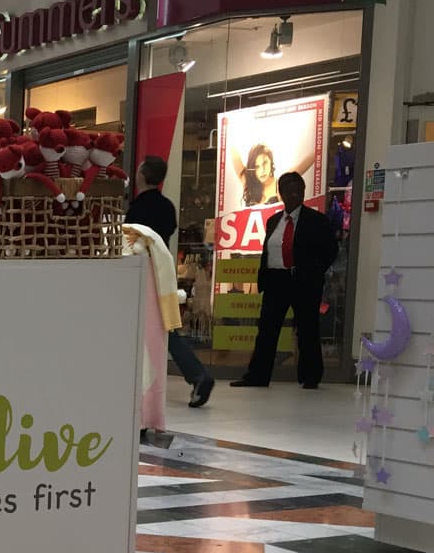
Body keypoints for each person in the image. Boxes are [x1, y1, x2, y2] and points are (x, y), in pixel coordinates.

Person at [231, 171, 338, 390]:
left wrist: (315, 271)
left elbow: (331, 250)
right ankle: (258, 375)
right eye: (288, 191)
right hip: (276, 280)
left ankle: (310, 376)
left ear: (303, 193)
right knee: (267, 330)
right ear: (281, 194)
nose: (293, 196)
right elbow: (268, 251)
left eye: (298, 191)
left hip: (303, 280)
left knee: (307, 329)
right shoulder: (273, 221)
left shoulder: (316, 221)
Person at [125, 156, 215, 409]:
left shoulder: (138, 208)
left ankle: (196, 376)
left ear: (142, 175)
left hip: (142, 274)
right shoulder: (166, 206)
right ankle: (196, 376)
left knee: (162, 330)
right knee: (167, 326)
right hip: (162, 272)